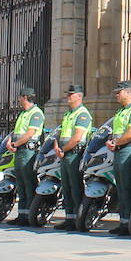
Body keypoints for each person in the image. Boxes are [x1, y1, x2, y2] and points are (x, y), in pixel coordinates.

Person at [107, 80, 131, 236]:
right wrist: (111, 141)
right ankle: (123, 221)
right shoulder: (121, 111)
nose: (116, 95)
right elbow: (116, 131)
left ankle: (130, 223)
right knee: (120, 187)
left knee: (128, 187)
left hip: (127, 150)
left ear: (128, 93)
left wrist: (115, 142)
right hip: (118, 150)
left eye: (119, 92)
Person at [5, 89, 45, 224]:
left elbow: (29, 134)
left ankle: (30, 214)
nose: (18, 99)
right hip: (20, 151)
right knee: (21, 184)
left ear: (25, 97)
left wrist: (15, 144)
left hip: (28, 152)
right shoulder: (23, 114)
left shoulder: (36, 113)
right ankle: (22, 215)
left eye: (20, 97)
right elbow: (17, 131)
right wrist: (10, 142)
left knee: (29, 183)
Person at [55, 86, 92, 230]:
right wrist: (57, 146)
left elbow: (77, 137)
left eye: (71, 95)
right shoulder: (68, 114)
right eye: (68, 94)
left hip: (74, 154)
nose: (68, 97)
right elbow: (60, 133)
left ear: (79, 96)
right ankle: (69, 218)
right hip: (64, 154)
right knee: (67, 187)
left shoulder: (82, 114)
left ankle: (79, 217)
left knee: (76, 187)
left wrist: (63, 149)